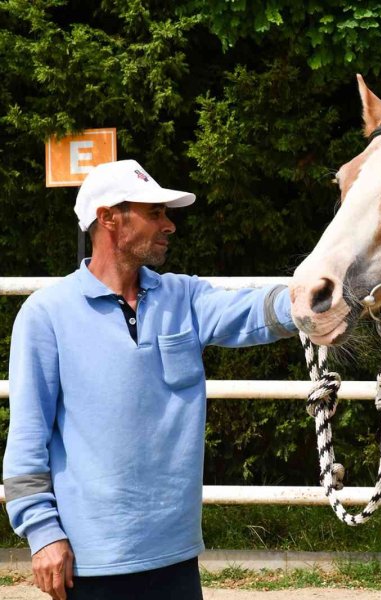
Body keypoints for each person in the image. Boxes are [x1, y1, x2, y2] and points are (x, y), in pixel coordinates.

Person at [3, 159, 298, 600]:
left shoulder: (184, 296)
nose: (169, 225)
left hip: (176, 556)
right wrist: (43, 533)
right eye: (155, 213)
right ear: (108, 219)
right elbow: (28, 438)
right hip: (89, 562)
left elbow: (254, 312)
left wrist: (318, 294)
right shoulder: (46, 315)